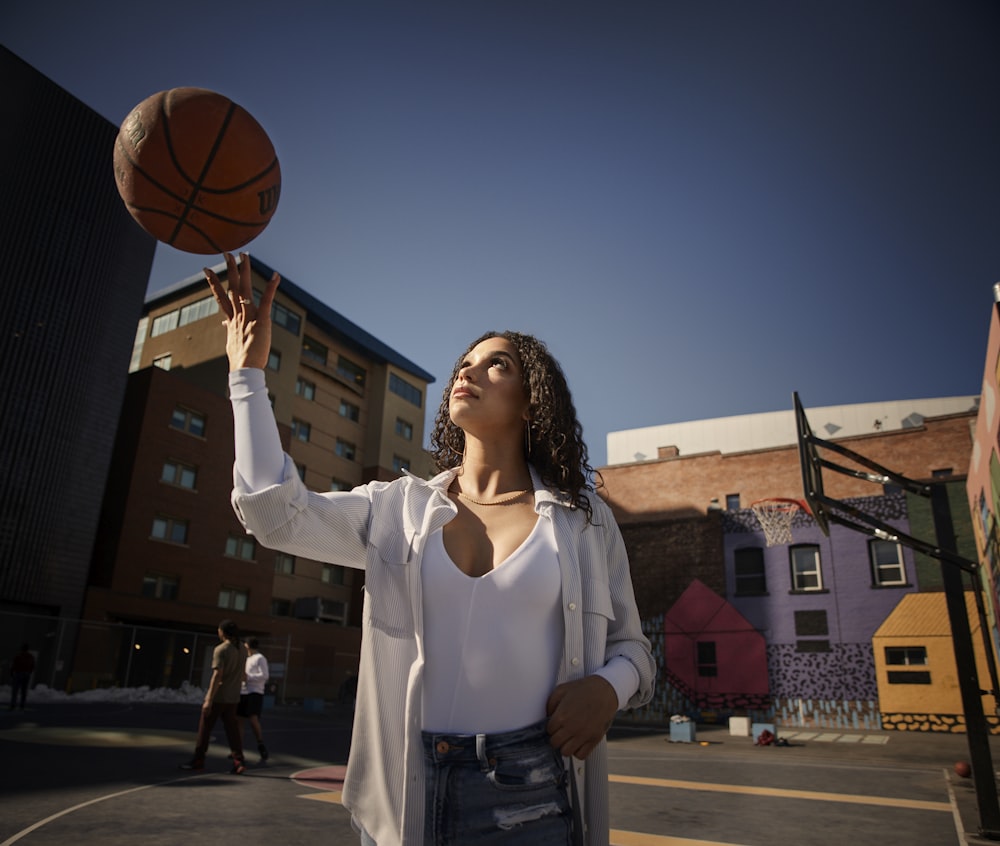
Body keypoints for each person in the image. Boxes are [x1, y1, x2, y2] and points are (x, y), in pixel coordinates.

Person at [205, 253, 655, 845]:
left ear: (530, 400)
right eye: (465, 363)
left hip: (533, 791)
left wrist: (607, 689)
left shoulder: (583, 521)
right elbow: (274, 516)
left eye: (497, 365)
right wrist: (248, 376)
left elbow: (633, 650)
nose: (469, 371)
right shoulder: (397, 509)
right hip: (405, 793)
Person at [180, 619, 247, 773]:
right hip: (233, 695)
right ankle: (239, 760)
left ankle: (198, 759)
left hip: (219, 695)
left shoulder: (221, 649)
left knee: (205, 727)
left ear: (222, 632)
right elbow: (243, 674)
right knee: (232, 729)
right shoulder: (242, 648)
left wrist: (209, 699)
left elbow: (217, 675)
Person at [237, 637, 270, 762]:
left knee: (252, 718)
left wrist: (248, 677)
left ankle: (260, 743)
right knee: (239, 719)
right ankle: (238, 749)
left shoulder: (260, 658)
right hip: (243, 691)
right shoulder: (246, 659)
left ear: (248, 646)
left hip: (255, 692)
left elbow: (265, 675)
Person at [10, 643, 35, 710]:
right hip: (26, 674)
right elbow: (33, 666)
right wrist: (29, 672)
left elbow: (14, 665)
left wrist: (12, 673)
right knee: (23, 691)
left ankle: (13, 704)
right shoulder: (30, 656)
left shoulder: (18, 656)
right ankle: (22, 705)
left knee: (15, 690)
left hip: (18, 673)